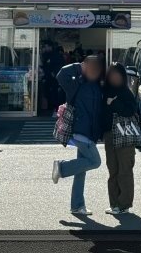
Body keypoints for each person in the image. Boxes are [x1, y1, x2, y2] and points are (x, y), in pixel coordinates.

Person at [52, 55, 103, 215]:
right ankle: (61, 167)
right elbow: (61, 74)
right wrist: (79, 66)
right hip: (80, 131)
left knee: (82, 169)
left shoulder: (97, 85)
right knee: (95, 161)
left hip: (90, 133)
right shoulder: (76, 83)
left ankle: (77, 205)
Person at [102, 62, 137, 215]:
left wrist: (114, 103)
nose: (114, 77)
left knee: (125, 170)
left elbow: (131, 111)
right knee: (113, 171)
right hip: (109, 135)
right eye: (111, 74)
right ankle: (114, 204)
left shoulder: (126, 92)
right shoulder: (105, 91)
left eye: (117, 74)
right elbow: (101, 113)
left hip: (125, 135)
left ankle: (124, 205)